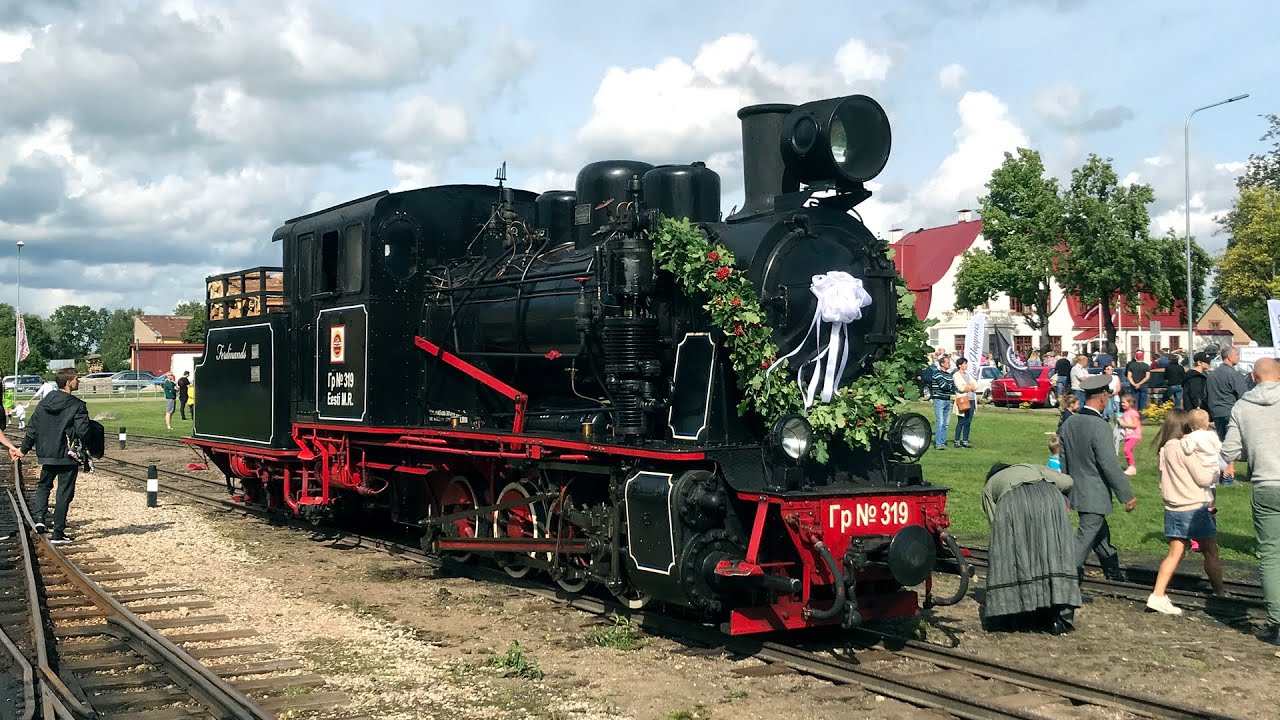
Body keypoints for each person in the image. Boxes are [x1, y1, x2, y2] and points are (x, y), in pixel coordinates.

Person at [980, 462, 1082, 635]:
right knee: (1051, 555)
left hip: (1013, 501)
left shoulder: (989, 486)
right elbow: (1067, 482)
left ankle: (1012, 616)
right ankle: (1055, 619)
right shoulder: (1030, 467)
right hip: (1050, 498)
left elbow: (995, 523)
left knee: (1010, 556)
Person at [1221, 357, 1280, 644]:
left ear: (1253, 378)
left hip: (1266, 484)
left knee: (1271, 556)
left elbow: (1230, 450)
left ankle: (1277, 623)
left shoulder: (1242, 406)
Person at [1059, 373, 1137, 583]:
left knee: (1100, 536)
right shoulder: (1099, 426)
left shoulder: (1070, 423)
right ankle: (1067, 575)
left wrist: (1067, 488)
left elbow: (1064, 459)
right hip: (1095, 491)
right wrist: (1126, 495)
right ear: (1103, 397)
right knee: (1086, 535)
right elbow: (1109, 464)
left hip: (1077, 488)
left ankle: (1114, 575)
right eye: (1108, 397)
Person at [1147, 409, 1224, 615]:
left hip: (1172, 507)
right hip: (1194, 506)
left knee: (1175, 552)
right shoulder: (1183, 448)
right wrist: (1215, 472)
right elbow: (1202, 478)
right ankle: (1220, 592)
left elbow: (1162, 481)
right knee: (1211, 551)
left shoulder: (1165, 449)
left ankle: (1157, 594)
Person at [14, 368, 92, 545]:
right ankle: (58, 532)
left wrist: (23, 450)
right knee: (64, 492)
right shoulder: (77, 405)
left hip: (47, 453)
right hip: (67, 455)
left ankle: (40, 519)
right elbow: (83, 431)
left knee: (43, 486)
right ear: (69, 382)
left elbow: (32, 428)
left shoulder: (44, 403)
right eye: (77, 379)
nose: (78, 382)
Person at [1207, 346, 1248, 442]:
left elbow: (1207, 394)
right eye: (1237, 355)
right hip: (1231, 412)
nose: (1239, 357)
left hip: (1216, 412)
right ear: (1229, 357)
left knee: (1222, 442)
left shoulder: (1211, 375)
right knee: (1232, 443)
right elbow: (1243, 395)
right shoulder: (1234, 374)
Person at [930, 355, 957, 451]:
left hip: (947, 400)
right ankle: (938, 443)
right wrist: (949, 386)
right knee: (940, 422)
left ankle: (943, 442)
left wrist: (949, 386)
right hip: (939, 400)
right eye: (948, 362)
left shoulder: (949, 375)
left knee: (946, 423)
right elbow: (943, 386)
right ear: (942, 364)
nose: (949, 364)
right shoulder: (937, 374)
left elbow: (953, 387)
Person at [952, 356, 976, 449]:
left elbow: (975, 385)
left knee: (968, 421)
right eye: (965, 364)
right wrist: (968, 387)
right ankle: (957, 440)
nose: (966, 365)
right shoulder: (956, 375)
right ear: (960, 365)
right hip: (963, 400)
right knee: (961, 421)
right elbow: (960, 388)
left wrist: (968, 386)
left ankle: (965, 440)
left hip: (971, 400)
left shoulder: (968, 375)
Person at [1116, 393, 1142, 476]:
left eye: (1124, 402)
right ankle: (1130, 467)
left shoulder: (1133, 413)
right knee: (1128, 450)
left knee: (1126, 449)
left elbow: (1134, 425)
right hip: (1128, 435)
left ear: (1130, 403)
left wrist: (1124, 424)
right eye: (1121, 402)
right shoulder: (1125, 412)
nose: (1122, 404)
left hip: (1134, 435)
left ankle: (1131, 466)